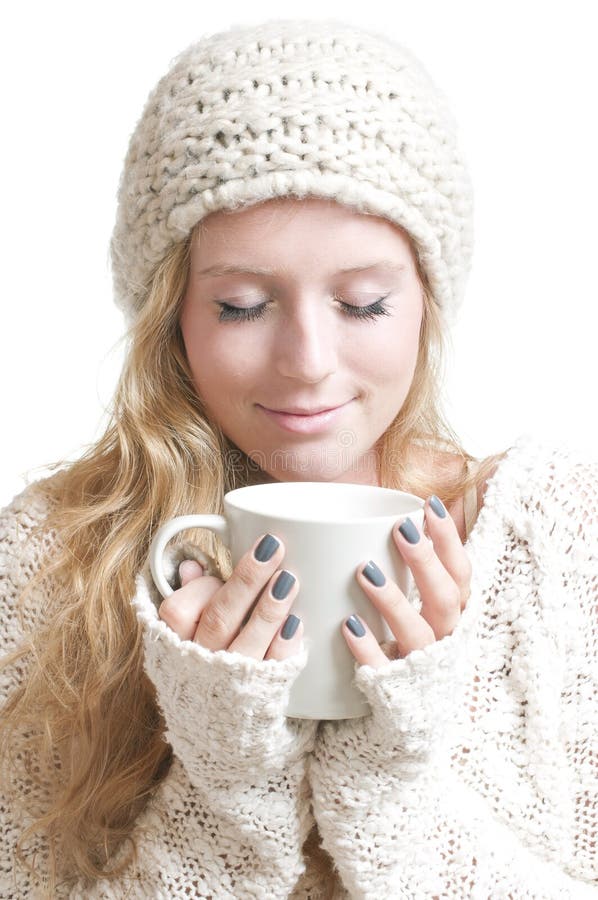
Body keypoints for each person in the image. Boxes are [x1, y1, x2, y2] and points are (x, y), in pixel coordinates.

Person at [0, 16, 596, 899]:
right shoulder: (52, 562)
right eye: (242, 305)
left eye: (362, 304)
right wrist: (227, 782)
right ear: (171, 316)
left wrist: (391, 778)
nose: (308, 362)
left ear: (426, 304)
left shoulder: (556, 539)